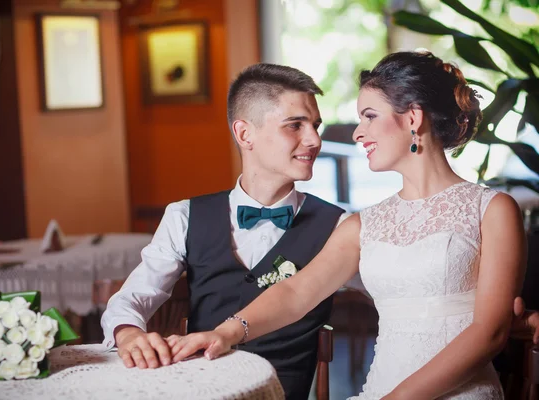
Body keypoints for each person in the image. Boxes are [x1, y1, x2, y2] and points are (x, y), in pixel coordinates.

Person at [169, 51, 534, 399]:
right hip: (379, 390)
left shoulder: (493, 209)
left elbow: (490, 332)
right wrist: (224, 333)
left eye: (369, 116)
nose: (358, 133)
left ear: (412, 118)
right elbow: (296, 293)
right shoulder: (362, 223)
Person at [101, 63, 346, 399]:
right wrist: (128, 334)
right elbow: (131, 300)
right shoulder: (184, 216)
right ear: (245, 134)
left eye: (315, 126)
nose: (314, 140)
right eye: (295, 125)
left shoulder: (339, 227)